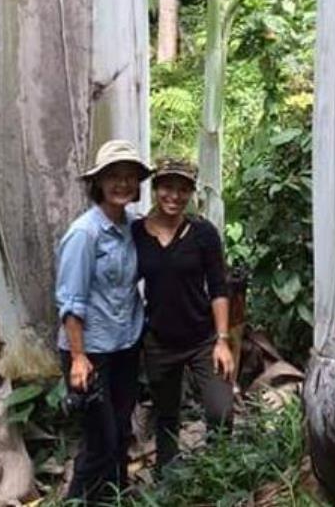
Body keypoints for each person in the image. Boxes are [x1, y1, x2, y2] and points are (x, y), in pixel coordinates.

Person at [55, 139, 152, 504]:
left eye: (129, 177)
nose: (122, 184)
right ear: (98, 183)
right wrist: (79, 358)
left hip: (125, 346)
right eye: (114, 176)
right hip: (90, 352)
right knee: (100, 440)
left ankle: (114, 496)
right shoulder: (85, 233)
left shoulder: (133, 226)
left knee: (121, 432)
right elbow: (70, 300)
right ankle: (78, 500)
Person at [133, 157, 234, 470]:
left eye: (182, 189)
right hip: (159, 341)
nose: (173, 196)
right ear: (155, 189)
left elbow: (218, 286)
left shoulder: (203, 233)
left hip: (203, 338)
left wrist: (222, 340)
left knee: (221, 411)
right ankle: (168, 481)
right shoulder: (136, 233)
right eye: (167, 187)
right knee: (166, 416)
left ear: (191, 193)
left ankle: (219, 471)